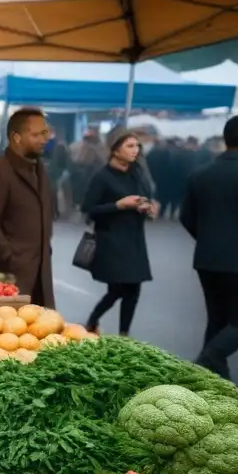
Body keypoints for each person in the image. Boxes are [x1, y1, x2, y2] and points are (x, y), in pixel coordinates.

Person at [180, 113, 238, 380]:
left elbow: (186, 216)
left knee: (218, 321)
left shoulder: (201, 173)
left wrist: (210, 239)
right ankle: (204, 361)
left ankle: (212, 384)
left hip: (207, 260)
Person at [0, 108, 56, 308]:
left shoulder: (39, 169)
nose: (44, 139)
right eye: (36, 134)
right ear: (16, 137)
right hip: (11, 275)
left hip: (41, 270)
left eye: (45, 133)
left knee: (41, 329)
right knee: (11, 332)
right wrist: (9, 255)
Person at [80, 131, 156, 336]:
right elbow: (88, 209)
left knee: (134, 288)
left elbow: (145, 197)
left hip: (134, 238)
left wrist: (148, 206)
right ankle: (92, 320)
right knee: (118, 289)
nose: (136, 151)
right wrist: (119, 205)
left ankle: (124, 334)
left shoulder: (137, 172)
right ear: (115, 149)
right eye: (130, 146)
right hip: (111, 240)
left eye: (137, 146)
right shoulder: (102, 177)